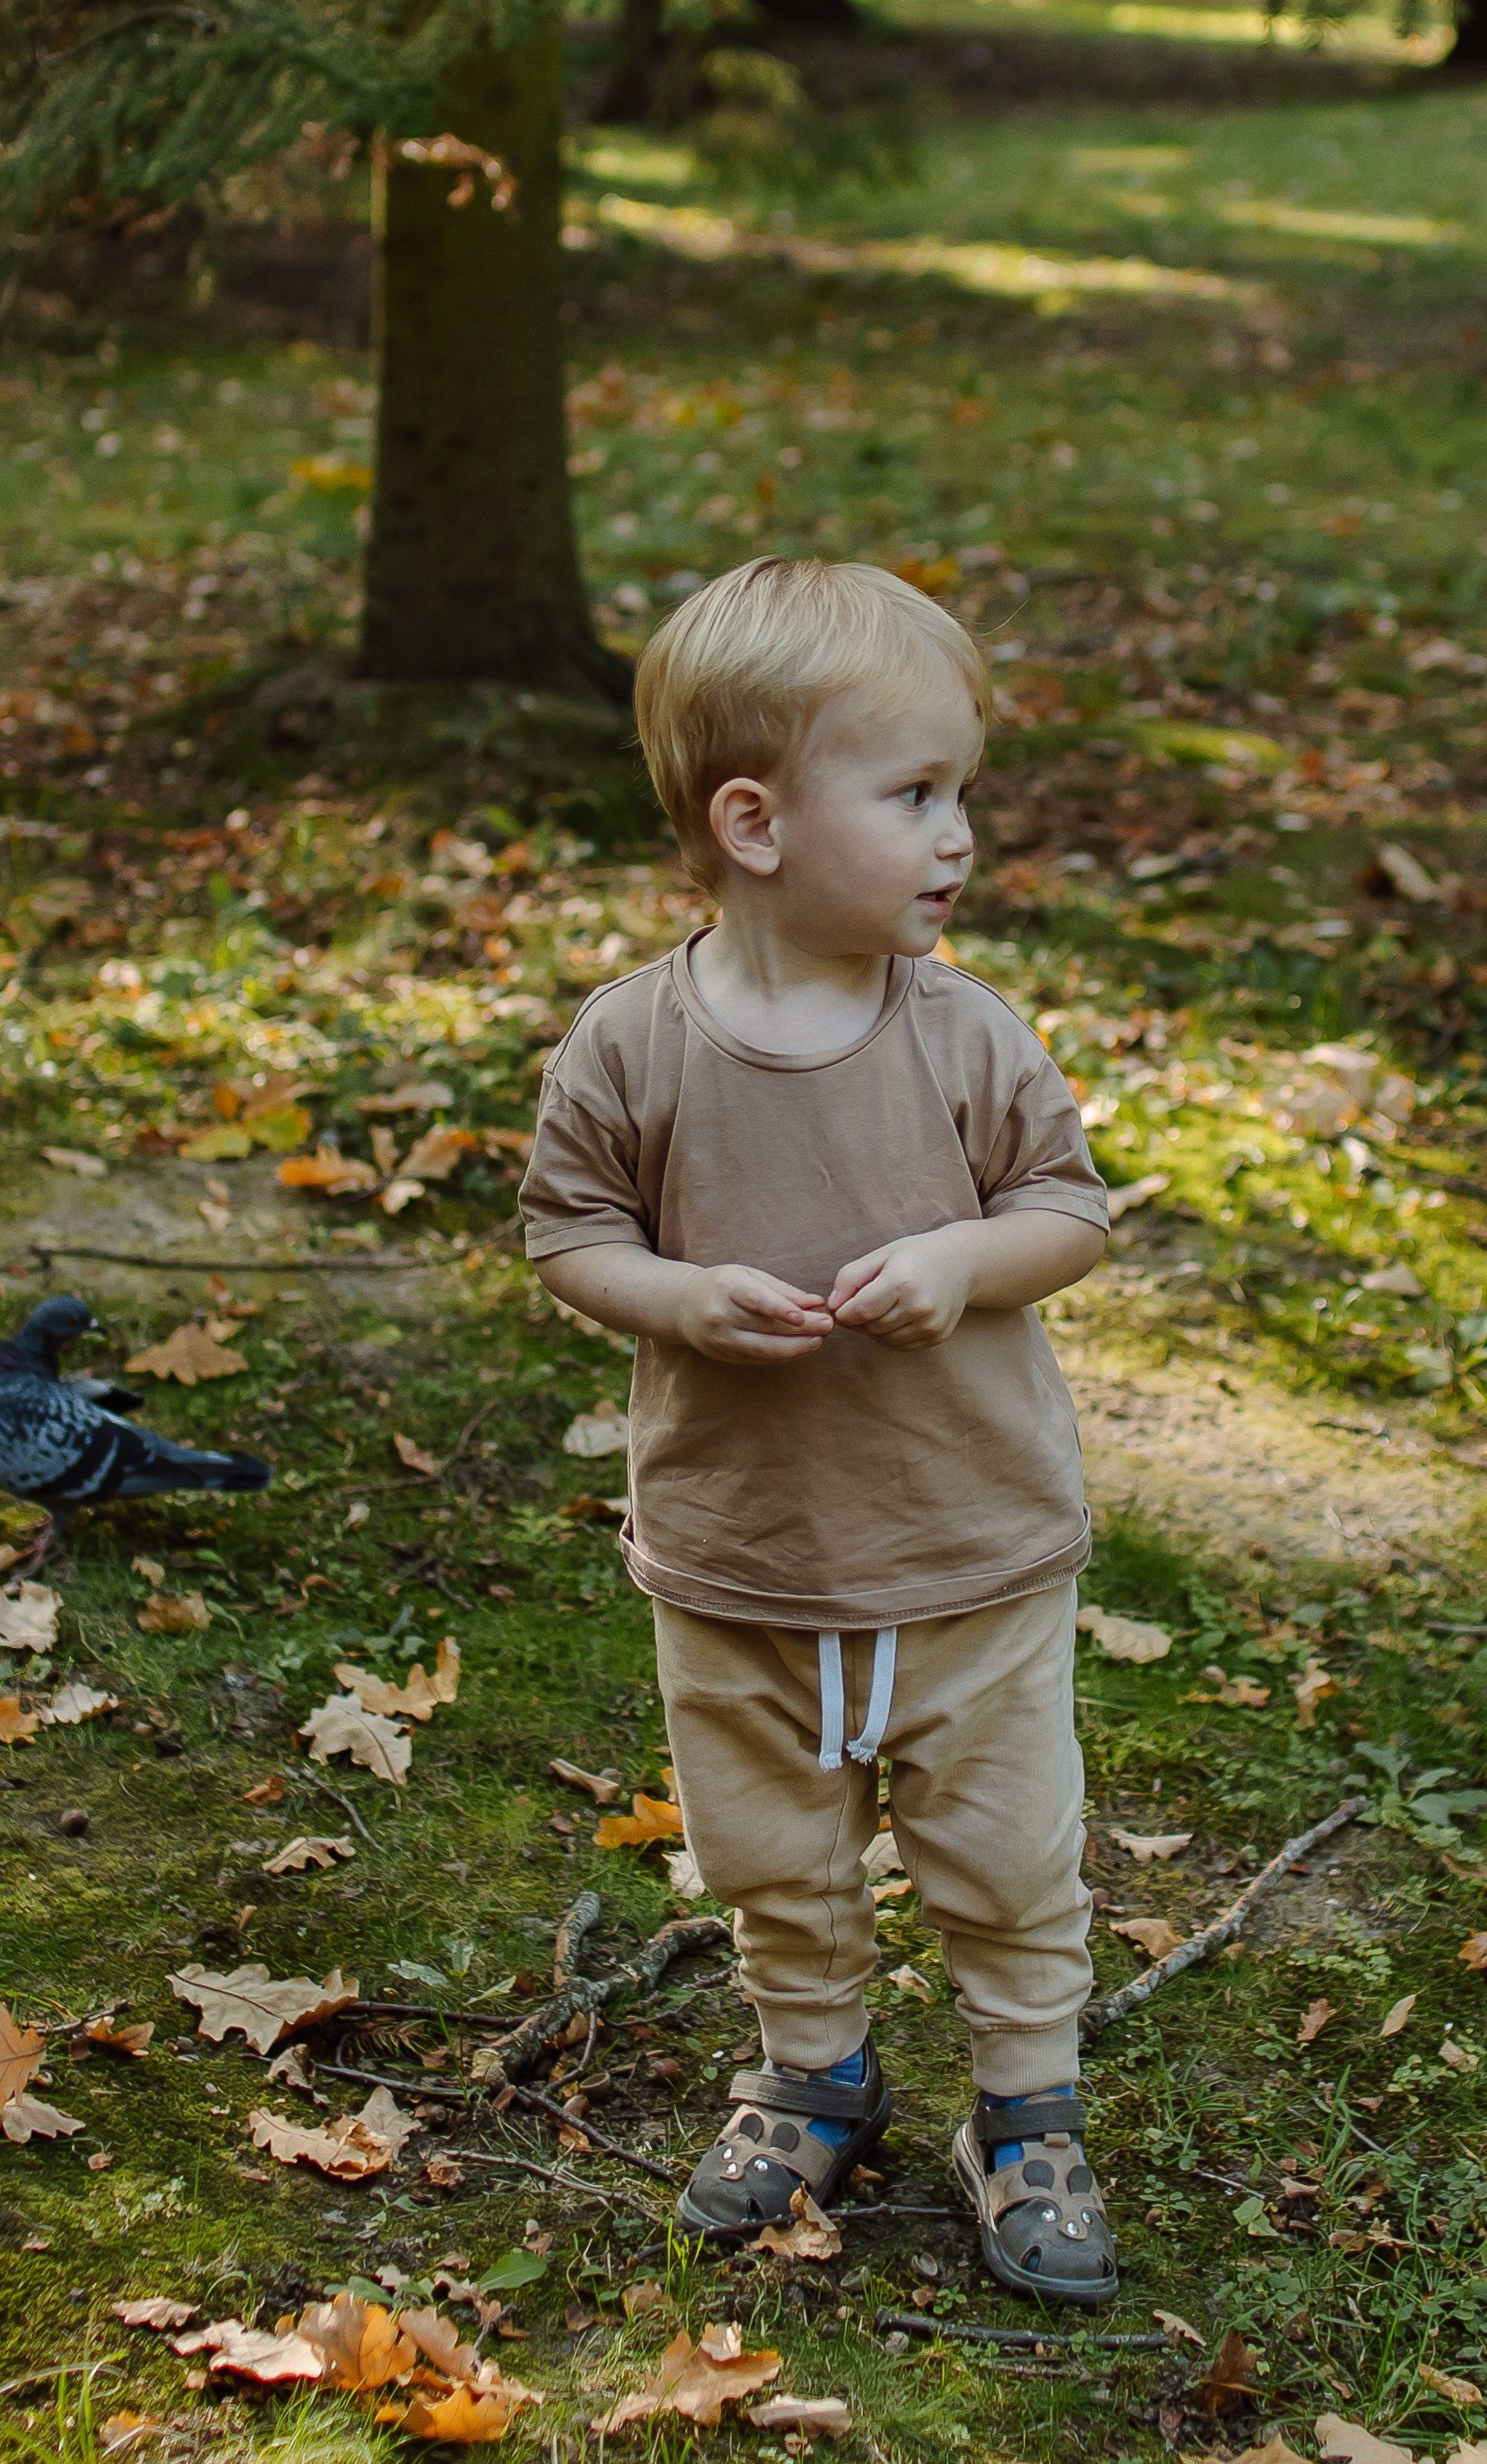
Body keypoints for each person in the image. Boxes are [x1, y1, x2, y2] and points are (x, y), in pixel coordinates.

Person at [518, 556, 1116, 2304]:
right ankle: (814, 2072)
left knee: (1007, 1854)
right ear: (756, 822)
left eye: (963, 795)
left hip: (968, 1548)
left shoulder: (963, 1033)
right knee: (770, 1850)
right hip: (739, 1556)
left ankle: (1025, 2108)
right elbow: (568, 1232)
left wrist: (964, 1259)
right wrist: (673, 1298)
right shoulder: (631, 1046)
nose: (959, 839)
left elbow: (1070, 1215)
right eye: (917, 795)